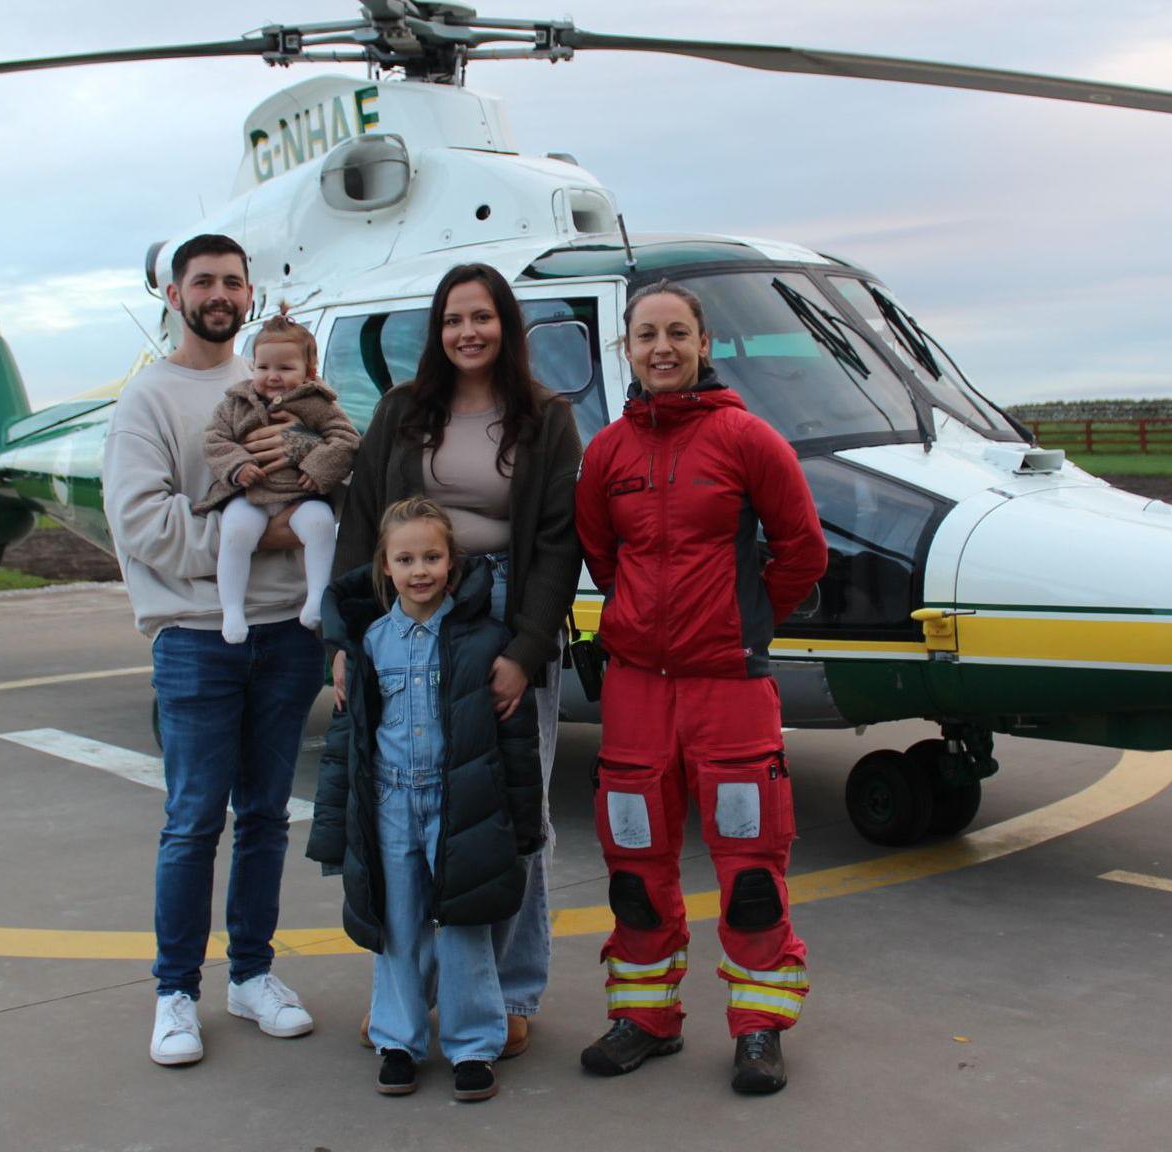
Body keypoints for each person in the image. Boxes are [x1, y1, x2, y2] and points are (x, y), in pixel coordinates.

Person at [572, 280, 828, 1095]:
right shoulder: (606, 454)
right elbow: (601, 556)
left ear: (704, 342)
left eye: (677, 333)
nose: (662, 348)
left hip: (730, 685)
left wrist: (741, 622)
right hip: (637, 688)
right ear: (628, 349)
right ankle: (644, 1019)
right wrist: (647, 626)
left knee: (750, 867)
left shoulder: (750, 440)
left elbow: (803, 553)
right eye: (647, 335)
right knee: (635, 864)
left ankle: (758, 1028)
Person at [331, 262, 583, 1056]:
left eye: (482, 316)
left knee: (506, 811)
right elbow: (362, 519)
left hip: (505, 615)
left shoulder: (547, 417)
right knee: (404, 811)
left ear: (506, 325)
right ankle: (421, 990)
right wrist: (346, 640)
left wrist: (527, 650)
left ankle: (510, 990)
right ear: (435, 331)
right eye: (452, 319)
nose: (467, 332)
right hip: (409, 613)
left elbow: (555, 542)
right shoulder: (405, 412)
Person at [102, 233, 325, 1066]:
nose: (219, 293)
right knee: (194, 820)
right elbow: (143, 526)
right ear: (173, 293)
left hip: (286, 635)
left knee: (267, 815)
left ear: (250, 292)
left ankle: (252, 974)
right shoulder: (148, 401)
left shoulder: (275, 381)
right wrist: (267, 536)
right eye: (203, 281)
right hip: (197, 639)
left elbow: (327, 474)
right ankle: (174, 992)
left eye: (233, 280)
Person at [307, 498, 545, 1102]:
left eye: (432, 557)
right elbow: (349, 742)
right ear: (384, 567)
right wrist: (335, 824)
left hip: (458, 803)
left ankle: (473, 1046)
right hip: (389, 804)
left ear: (452, 564)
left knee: (464, 923)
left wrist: (522, 821)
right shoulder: (368, 645)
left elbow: (513, 739)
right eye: (406, 558)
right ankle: (398, 1040)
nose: (420, 570)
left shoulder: (484, 641)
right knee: (398, 922)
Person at [193, 311, 359, 642]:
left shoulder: (317, 403)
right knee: (235, 532)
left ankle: (315, 600)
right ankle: (233, 610)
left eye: (285, 368)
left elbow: (347, 440)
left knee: (321, 525)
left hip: (299, 495)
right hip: (251, 494)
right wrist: (238, 465)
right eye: (263, 367)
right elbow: (215, 440)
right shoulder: (236, 403)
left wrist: (316, 466)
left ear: (309, 371)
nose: (272, 377)